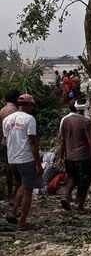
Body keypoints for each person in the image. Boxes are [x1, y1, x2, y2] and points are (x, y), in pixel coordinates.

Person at [3, 94, 42, 231]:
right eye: (32, 105)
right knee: (28, 190)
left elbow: (6, 140)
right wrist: (38, 164)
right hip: (25, 159)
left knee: (22, 185)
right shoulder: (29, 119)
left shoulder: (7, 120)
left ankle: (13, 213)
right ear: (29, 105)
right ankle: (22, 222)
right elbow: (32, 141)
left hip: (12, 158)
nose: (33, 108)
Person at [58, 99, 91, 213]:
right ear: (86, 108)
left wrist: (61, 156)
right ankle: (80, 206)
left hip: (70, 156)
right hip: (83, 157)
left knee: (72, 178)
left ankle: (67, 198)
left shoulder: (65, 120)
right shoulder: (85, 121)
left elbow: (62, 140)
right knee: (84, 182)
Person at [0, 89, 20, 203]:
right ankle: (14, 194)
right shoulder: (14, 111)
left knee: (8, 167)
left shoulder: (2, 110)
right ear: (16, 98)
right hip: (13, 142)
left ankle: (10, 193)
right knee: (16, 168)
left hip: (4, 140)